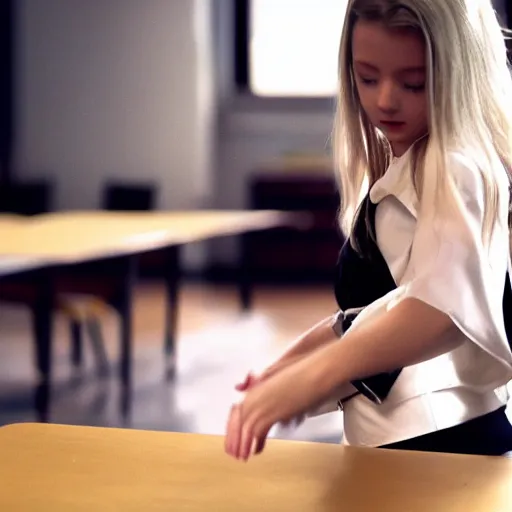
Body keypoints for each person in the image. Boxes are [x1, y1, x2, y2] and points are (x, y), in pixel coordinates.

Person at [224, 0, 512, 461]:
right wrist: (285, 372)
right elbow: (376, 313)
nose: (385, 100)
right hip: (405, 442)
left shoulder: (454, 163)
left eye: (414, 82)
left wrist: (312, 377)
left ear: (459, 72)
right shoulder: (413, 163)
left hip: (439, 443)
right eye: (368, 77)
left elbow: (439, 312)